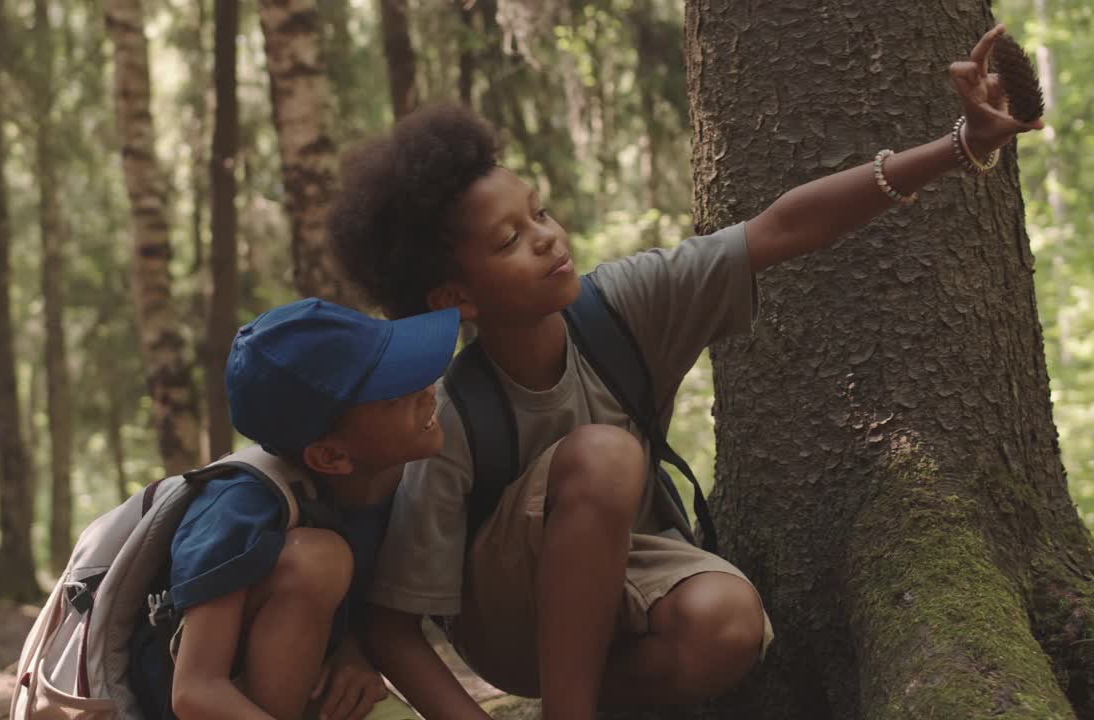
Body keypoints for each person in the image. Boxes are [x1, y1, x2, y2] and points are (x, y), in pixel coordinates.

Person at [327, 24, 1041, 720]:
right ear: (457, 298)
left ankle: (577, 700)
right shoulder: (449, 416)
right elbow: (394, 626)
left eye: (539, 212)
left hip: (625, 590)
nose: (547, 237)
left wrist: (959, 145)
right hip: (508, 624)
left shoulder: (622, 308)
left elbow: (781, 228)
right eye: (512, 239)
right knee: (607, 455)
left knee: (730, 628)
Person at [128, 298, 461, 720]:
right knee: (319, 559)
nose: (427, 388)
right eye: (395, 396)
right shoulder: (240, 509)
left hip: (299, 690)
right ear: (330, 457)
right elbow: (194, 692)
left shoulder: (396, 485)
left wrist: (350, 650)